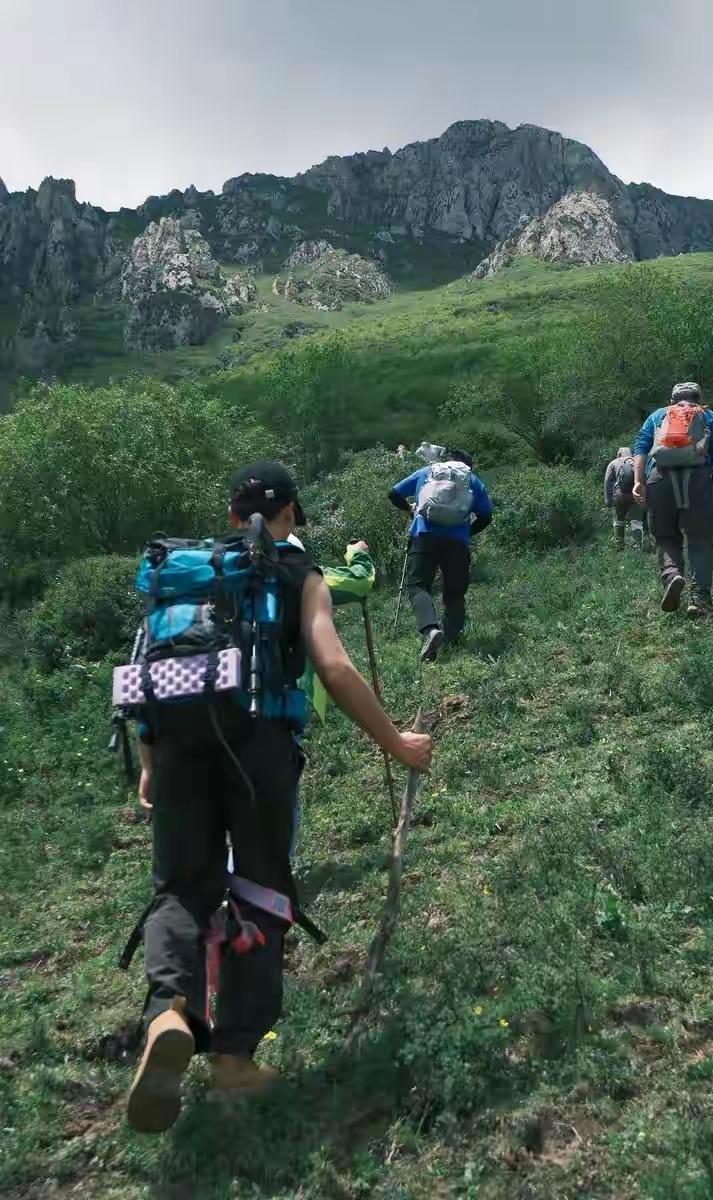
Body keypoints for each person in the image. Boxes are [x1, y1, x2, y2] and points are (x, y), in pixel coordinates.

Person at [127, 462, 432, 1133]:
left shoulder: (187, 572)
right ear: (292, 512)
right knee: (261, 890)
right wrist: (397, 742)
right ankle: (234, 1060)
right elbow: (332, 666)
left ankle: (169, 1013)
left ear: (233, 515)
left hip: (176, 743)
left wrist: (151, 763)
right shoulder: (298, 572)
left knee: (181, 887)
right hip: (259, 746)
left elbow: (147, 671)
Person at [632, 382, 713, 617]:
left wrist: (639, 481)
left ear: (672, 401)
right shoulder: (707, 415)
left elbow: (641, 447)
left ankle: (672, 574)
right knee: (700, 537)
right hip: (698, 479)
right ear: (698, 399)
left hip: (660, 478)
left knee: (666, 535)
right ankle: (699, 599)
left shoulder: (658, 415)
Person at [389, 448, 493, 660]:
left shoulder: (427, 472)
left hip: (424, 536)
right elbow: (486, 516)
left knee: (418, 585)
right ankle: (450, 641)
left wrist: (410, 510)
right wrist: (466, 532)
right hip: (457, 543)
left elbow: (394, 493)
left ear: (447, 462)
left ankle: (430, 630)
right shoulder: (472, 480)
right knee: (455, 593)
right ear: (467, 466)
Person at [604, 446, 644, 550]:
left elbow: (607, 483)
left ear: (619, 454)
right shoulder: (637, 462)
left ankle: (619, 546)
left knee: (619, 521)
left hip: (619, 496)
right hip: (635, 496)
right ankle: (637, 547)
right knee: (636, 522)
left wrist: (608, 500)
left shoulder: (613, 463)